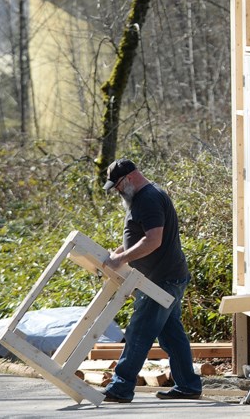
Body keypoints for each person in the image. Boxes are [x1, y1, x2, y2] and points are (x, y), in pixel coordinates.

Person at [99, 158, 203, 403]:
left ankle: (121, 387)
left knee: (138, 331)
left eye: (118, 185)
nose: (116, 190)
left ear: (130, 178)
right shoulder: (146, 196)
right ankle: (188, 385)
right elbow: (145, 238)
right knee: (170, 333)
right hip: (166, 276)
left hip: (162, 280)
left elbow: (154, 240)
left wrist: (122, 258)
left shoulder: (147, 199)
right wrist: (122, 250)